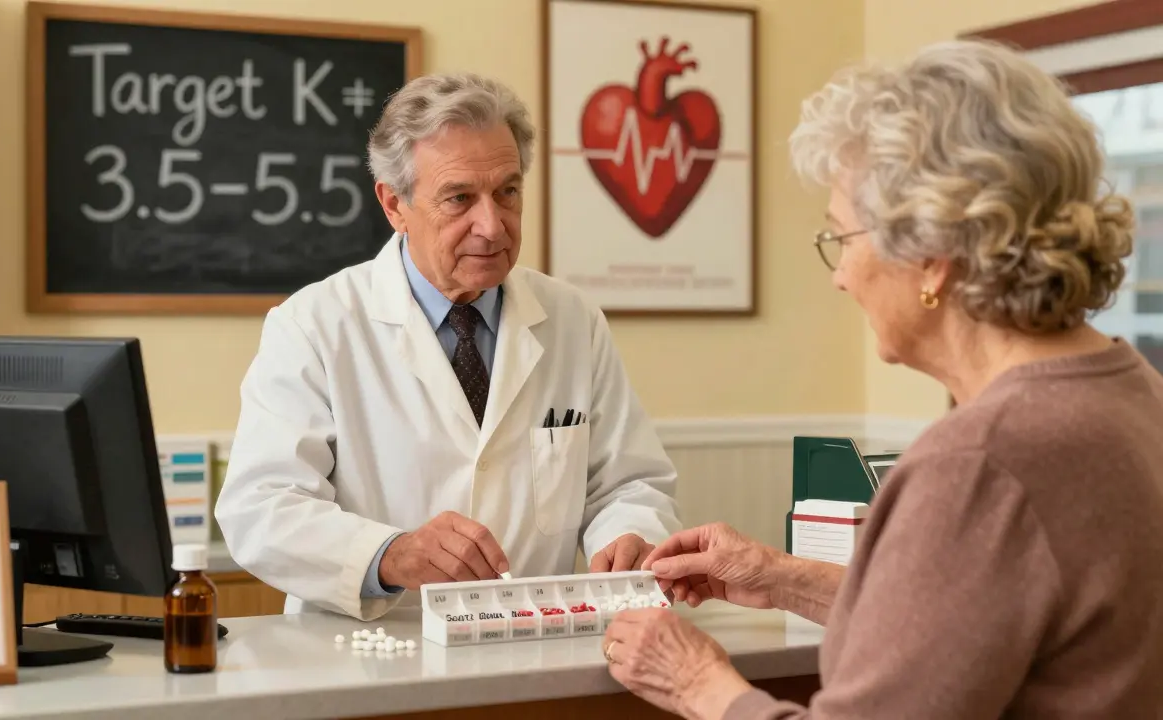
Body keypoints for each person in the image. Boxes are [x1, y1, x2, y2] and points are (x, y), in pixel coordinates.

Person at [599, 39, 1163, 719]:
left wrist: (700, 686)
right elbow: (975, 620)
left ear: (931, 257)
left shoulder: (978, 464)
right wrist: (783, 580)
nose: (839, 275)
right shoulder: (1133, 390)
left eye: (841, 238)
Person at [215, 72, 682, 622]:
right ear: (394, 205)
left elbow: (628, 482)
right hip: (369, 657)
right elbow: (260, 508)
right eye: (459, 199)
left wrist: (629, 533)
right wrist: (389, 555)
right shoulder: (314, 325)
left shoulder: (572, 320)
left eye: (507, 191)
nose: (491, 225)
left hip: (532, 648)